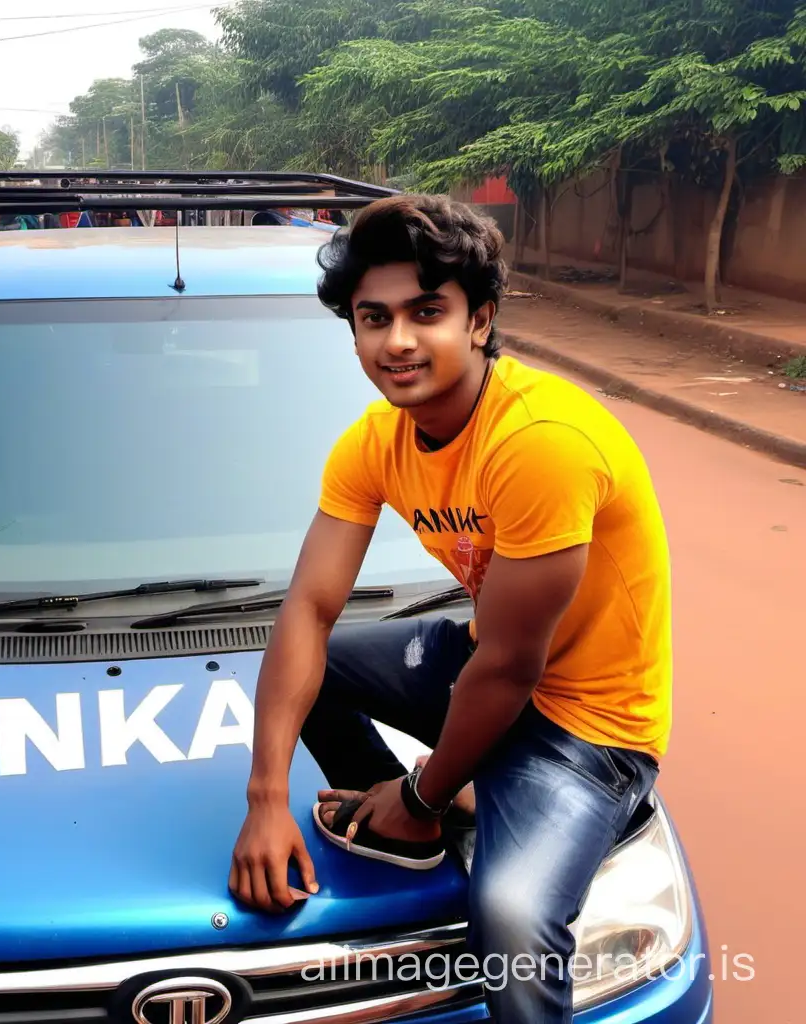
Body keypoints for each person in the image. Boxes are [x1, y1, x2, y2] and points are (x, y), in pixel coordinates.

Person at [228, 194, 672, 1024]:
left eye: (426, 312)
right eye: (374, 317)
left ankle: (426, 806)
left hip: (585, 729)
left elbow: (512, 669)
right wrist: (264, 799)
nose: (397, 341)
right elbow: (307, 610)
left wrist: (425, 788)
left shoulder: (540, 441)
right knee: (309, 669)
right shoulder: (375, 441)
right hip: (479, 661)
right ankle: (413, 821)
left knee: (510, 923)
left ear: (480, 320)